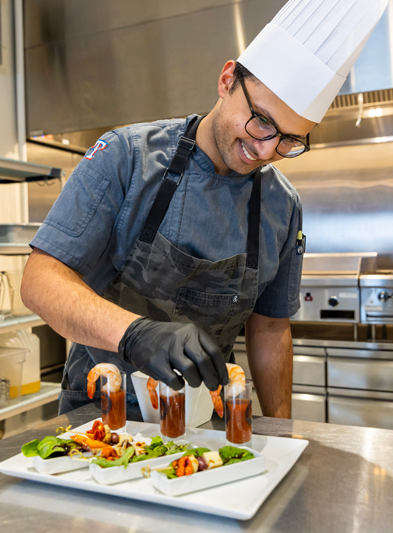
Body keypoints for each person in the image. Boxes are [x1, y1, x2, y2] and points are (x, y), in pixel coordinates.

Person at [21, 0, 388, 419]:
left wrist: (282, 432)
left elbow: (269, 326)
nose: (265, 150)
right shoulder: (126, 156)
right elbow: (40, 279)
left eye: (289, 140)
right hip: (101, 416)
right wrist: (134, 334)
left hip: (207, 424)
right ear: (227, 79)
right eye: (262, 121)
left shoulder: (282, 206)